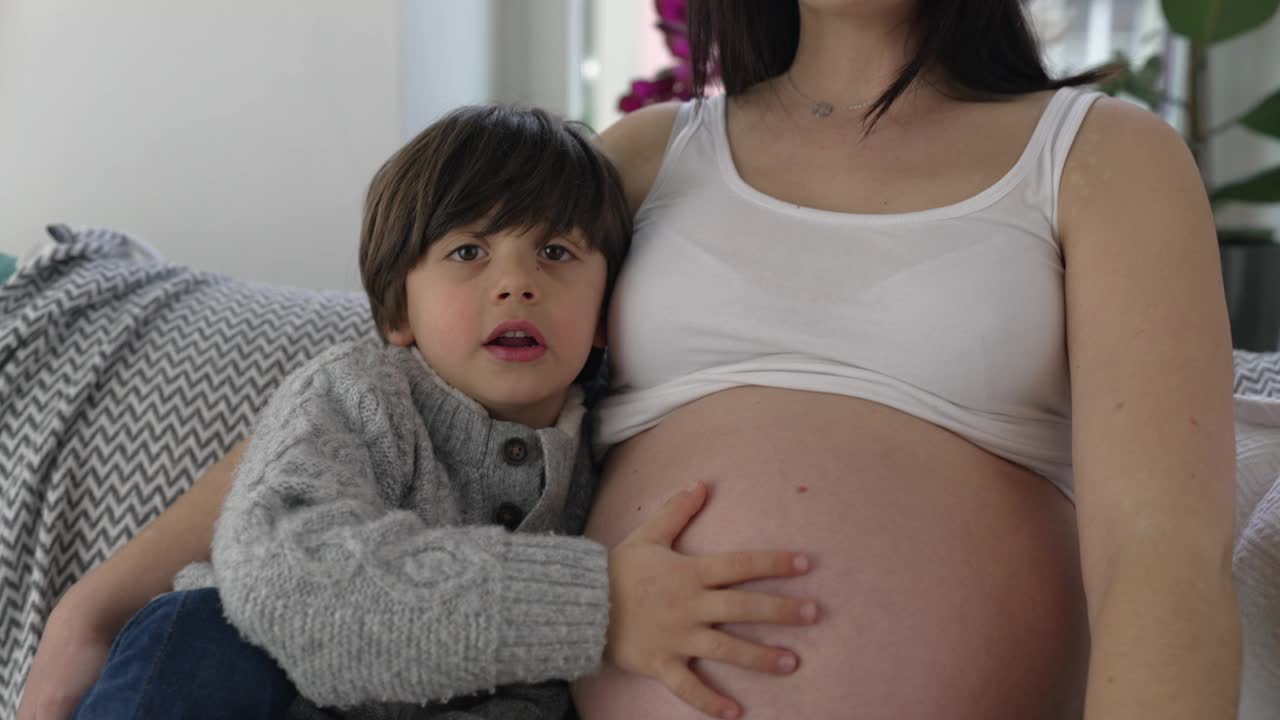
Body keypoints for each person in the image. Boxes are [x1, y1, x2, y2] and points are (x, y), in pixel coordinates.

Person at [22, 1, 1243, 718]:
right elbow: (366, 401)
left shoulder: (1097, 156)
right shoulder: (652, 153)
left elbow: (1158, 562)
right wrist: (102, 599)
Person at [62, 105, 819, 720]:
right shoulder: (355, 395)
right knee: (201, 636)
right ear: (398, 310)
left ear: (605, 314)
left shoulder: (597, 451)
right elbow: (289, 584)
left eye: (556, 252)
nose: (516, 282)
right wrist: (601, 603)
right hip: (242, 674)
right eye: (468, 253)